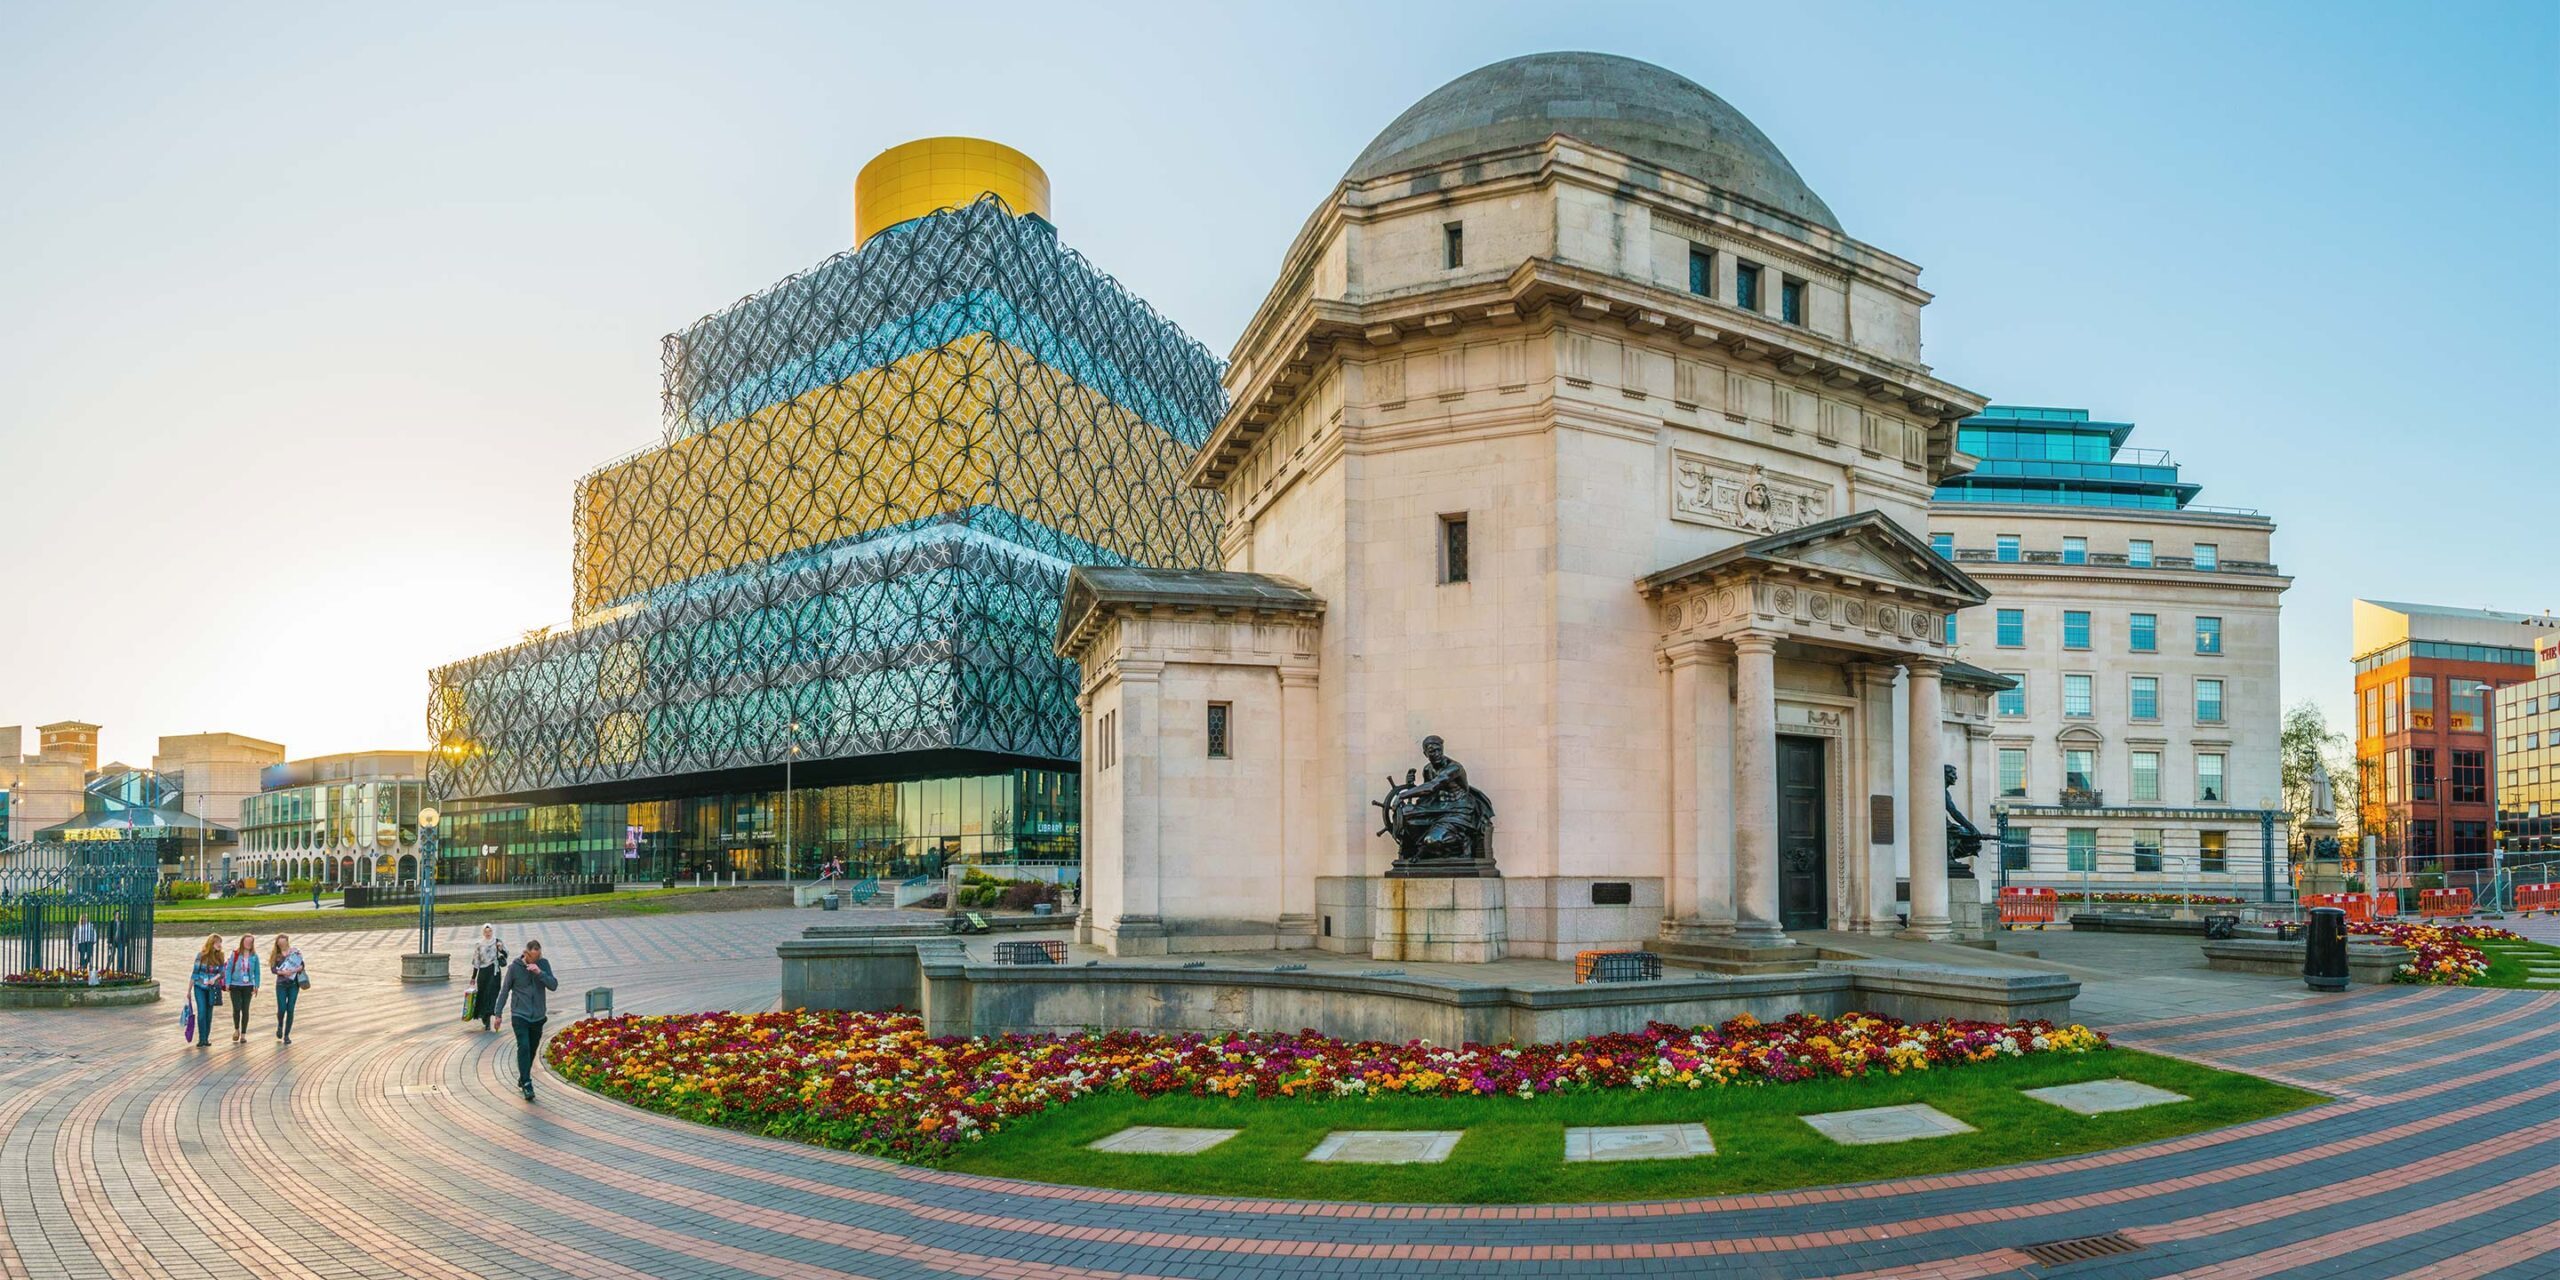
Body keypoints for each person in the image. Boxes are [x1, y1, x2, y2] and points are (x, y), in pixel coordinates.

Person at [496, 940, 558, 1101]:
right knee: (523, 1046)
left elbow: (553, 985)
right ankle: (527, 1083)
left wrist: (539, 972)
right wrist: (498, 1014)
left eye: (539, 957)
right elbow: (504, 991)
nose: (536, 960)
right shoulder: (514, 968)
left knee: (532, 1049)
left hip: (538, 1016)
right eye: (534, 958)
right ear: (527, 954)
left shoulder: (543, 964)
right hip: (520, 1015)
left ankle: (523, 1076)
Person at [188, 936, 226, 1048]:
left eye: (220, 942)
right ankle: (201, 1039)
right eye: (217, 942)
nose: (219, 944)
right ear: (211, 943)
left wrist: (214, 979)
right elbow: (195, 973)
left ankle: (206, 1038)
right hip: (199, 986)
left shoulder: (220, 956)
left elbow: (222, 972)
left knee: (209, 1014)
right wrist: (189, 991)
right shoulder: (201, 956)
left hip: (212, 988)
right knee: (202, 1012)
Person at [223, 934, 262, 1044]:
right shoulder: (235, 954)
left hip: (248, 986)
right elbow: (229, 969)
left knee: (245, 1009)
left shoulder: (254, 956)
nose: (248, 944)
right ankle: (236, 1030)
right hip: (235, 985)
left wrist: (257, 985)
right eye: (246, 942)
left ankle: (243, 1034)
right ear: (242, 942)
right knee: (236, 1008)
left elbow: (257, 972)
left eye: (250, 942)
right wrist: (227, 983)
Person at [467, 924, 507, 1031]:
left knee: (492, 994)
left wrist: (501, 949)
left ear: (492, 931)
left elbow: (506, 954)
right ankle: (485, 1017)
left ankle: (489, 1014)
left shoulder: (498, 941)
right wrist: (473, 977)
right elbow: (476, 961)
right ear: (483, 933)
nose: (488, 933)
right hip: (483, 973)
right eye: (486, 931)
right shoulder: (479, 945)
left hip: (494, 972)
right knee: (483, 994)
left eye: (489, 931)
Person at [270, 936, 306, 1043]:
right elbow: (273, 969)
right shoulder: (276, 955)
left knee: (290, 1009)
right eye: (280, 943)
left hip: (293, 984)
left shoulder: (294, 953)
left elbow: (302, 965)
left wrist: (298, 969)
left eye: (284, 943)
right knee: (282, 1008)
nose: (282, 945)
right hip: (281, 984)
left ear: (287, 942)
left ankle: (287, 1035)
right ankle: (280, 1025)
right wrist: (283, 972)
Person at [74, 915, 97, 982]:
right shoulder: (78, 926)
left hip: (89, 941)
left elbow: (94, 933)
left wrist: (94, 940)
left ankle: (84, 964)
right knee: (82, 954)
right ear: (81, 919)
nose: (84, 919)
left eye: (86, 918)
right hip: (81, 942)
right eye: (83, 918)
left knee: (89, 954)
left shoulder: (90, 925)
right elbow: (75, 934)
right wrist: (74, 942)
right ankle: (82, 967)